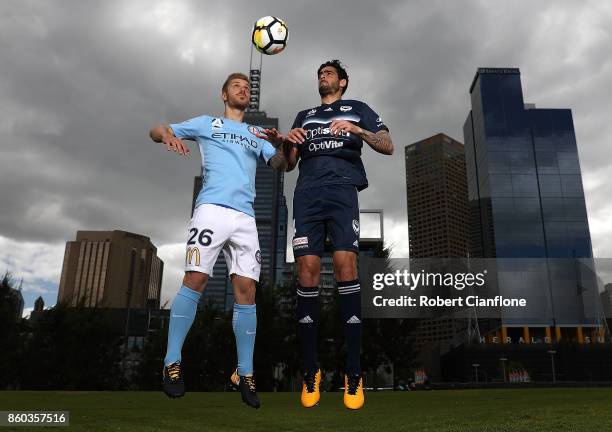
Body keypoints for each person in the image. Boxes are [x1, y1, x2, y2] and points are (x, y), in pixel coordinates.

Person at [149, 72, 289, 408]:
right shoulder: (206, 123)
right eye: (236, 86)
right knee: (195, 279)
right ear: (224, 94)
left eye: (247, 87)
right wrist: (166, 135)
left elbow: (281, 165)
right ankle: (171, 362)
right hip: (211, 210)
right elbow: (156, 130)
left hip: (245, 218)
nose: (243, 89)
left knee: (248, 292)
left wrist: (283, 143)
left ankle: (244, 372)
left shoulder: (257, 134)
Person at [284, 60, 394, 410]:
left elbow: (387, 144)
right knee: (307, 274)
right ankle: (311, 371)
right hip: (307, 194)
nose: (323, 77)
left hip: (342, 191)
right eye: (319, 73)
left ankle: (353, 372)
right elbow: (285, 165)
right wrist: (286, 143)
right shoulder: (303, 115)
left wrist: (357, 130)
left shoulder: (358, 109)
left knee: (347, 267)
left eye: (329, 73)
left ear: (342, 82)